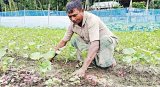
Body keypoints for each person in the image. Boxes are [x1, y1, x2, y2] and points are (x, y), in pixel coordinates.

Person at [54, 0, 118, 78]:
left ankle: (108, 60)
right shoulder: (73, 24)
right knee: (75, 40)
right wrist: (51, 56)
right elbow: (64, 41)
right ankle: (97, 57)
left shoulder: (92, 19)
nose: (73, 19)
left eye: (75, 15)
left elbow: (95, 44)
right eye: (70, 16)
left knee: (103, 65)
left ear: (82, 11)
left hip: (106, 42)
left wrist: (83, 68)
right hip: (91, 43)